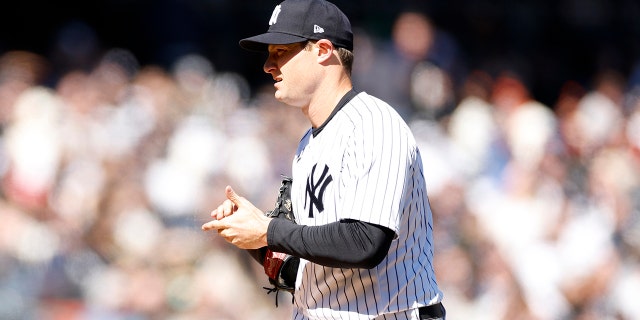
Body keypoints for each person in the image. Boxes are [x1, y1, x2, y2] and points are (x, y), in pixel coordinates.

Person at [201, 0, 446, 319]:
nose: (268, 66)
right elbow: (298, 273)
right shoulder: (308, 144)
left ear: (323, 50)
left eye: (281, 52)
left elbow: (365, 243)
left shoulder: (374, 123)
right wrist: (252, 236)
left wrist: (269, 231)